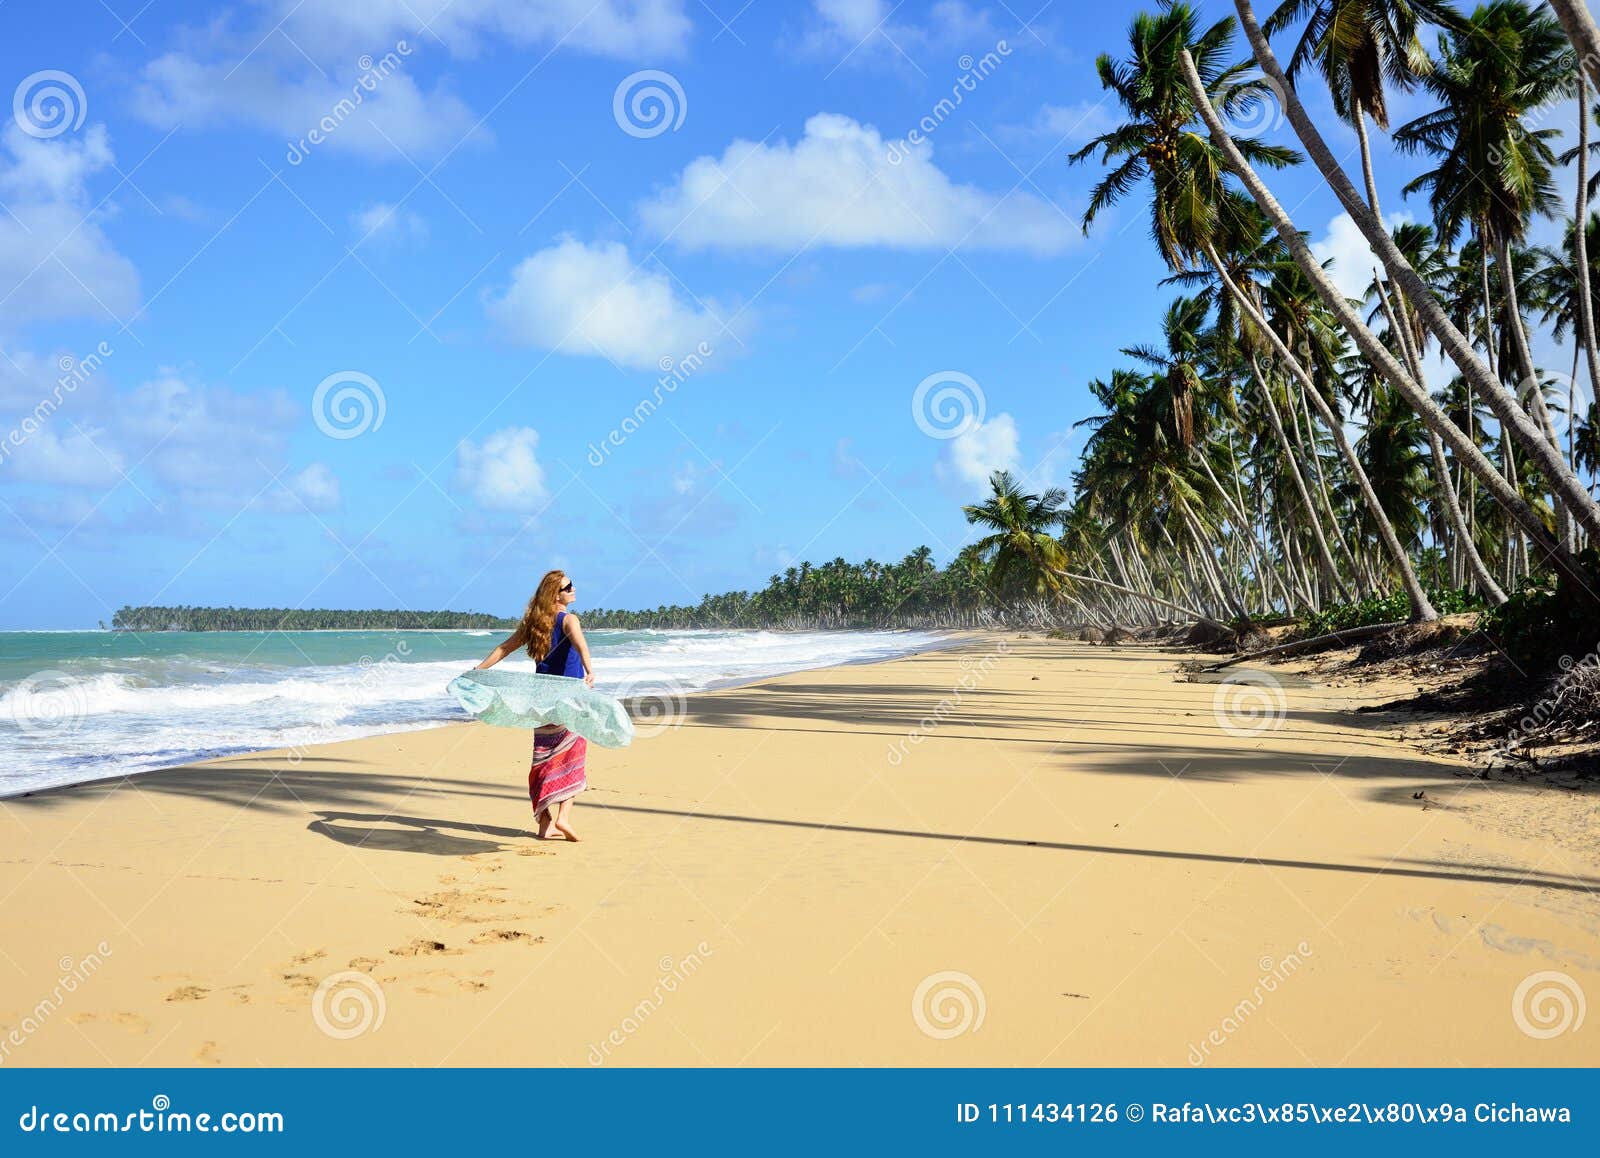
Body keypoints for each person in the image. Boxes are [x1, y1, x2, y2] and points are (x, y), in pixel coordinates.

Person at [476, 569, 595, 840]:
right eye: (568, 587)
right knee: (573, 759)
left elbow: (504, 648)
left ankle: (544, 823)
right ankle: (563, 818)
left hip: (542, 701)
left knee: (542, 759)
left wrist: (479, 669)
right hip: (570, 698)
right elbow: (581, 647)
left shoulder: (534, 623)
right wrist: (590, 671)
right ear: (556, 594)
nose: (574, 589)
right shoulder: (569, 619)